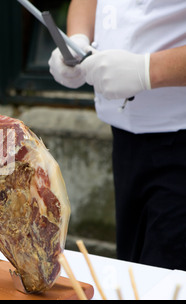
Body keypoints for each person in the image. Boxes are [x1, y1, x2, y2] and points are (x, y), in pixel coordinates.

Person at [49, 0, 186, 270]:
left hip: (179, 136)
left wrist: (147, 70)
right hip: (125, 140)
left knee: (165, 280)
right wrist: (78, 39)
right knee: (133, 269)